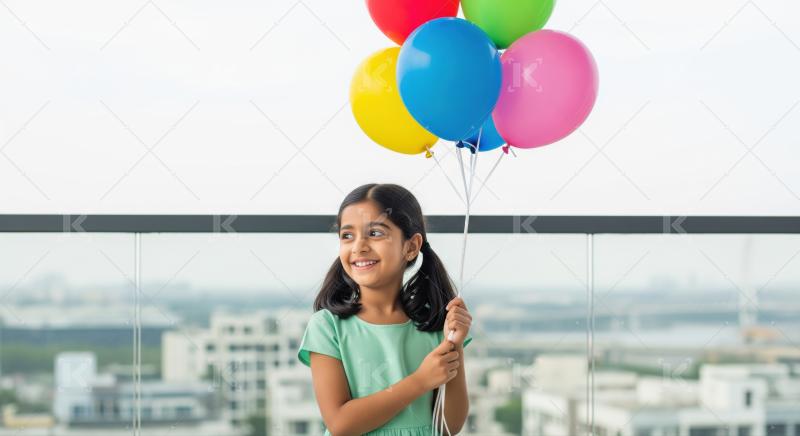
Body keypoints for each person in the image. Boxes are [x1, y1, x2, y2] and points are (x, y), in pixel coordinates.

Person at [296, 183, 473, 436]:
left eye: (375, 233)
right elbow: (340, 424)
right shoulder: (327, 326)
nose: (358, 246)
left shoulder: (435, 323)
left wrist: (455, 343)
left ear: (411, 247)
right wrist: (420, 381)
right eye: (347, 236)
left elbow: (448, 427)